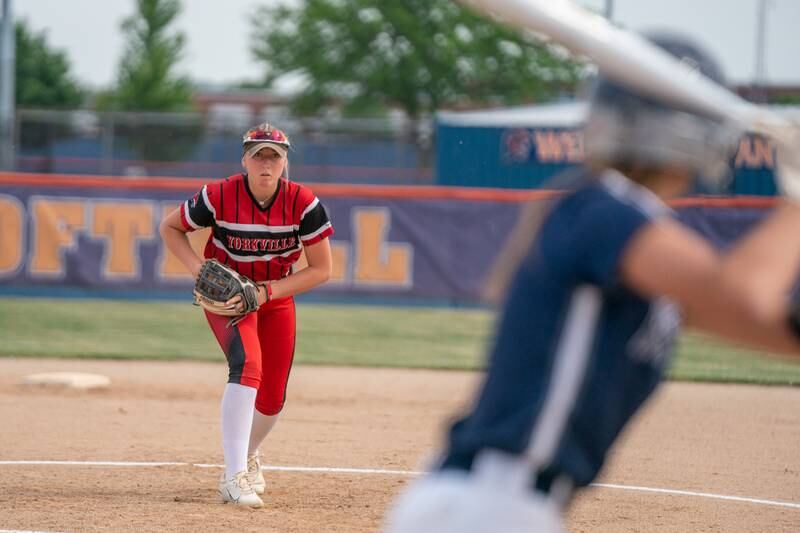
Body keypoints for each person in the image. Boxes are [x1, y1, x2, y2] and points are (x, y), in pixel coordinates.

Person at [384, 34, 800, 533]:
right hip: (489, 509)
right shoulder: (603, 210)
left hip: (499, 508)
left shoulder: (621, 225)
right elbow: (744, 295)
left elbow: (768, 323)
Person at [160, 123, 333, 508]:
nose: (266, 164)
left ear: (285, 162)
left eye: (274, 156)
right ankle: (233, 475)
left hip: (275, 296)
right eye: (258, 156)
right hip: (229, 297)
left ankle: (249, 454)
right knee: (248, 365)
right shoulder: (218, 195)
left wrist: (267, 292)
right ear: (244, 160)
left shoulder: (303, 203)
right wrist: (198, 269)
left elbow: (322, 269)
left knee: (272, 397)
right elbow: (170, 227)